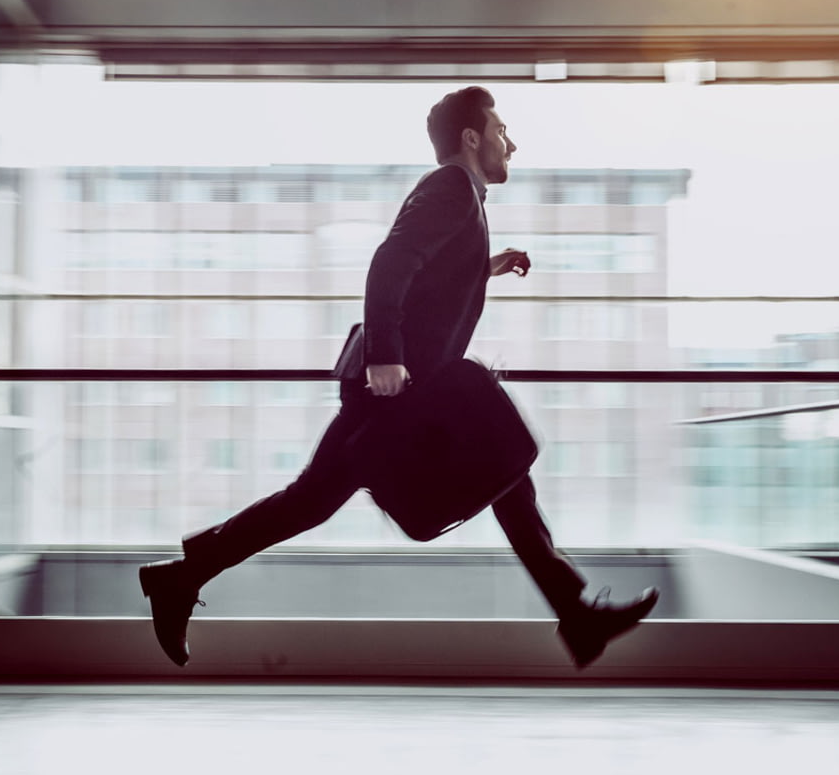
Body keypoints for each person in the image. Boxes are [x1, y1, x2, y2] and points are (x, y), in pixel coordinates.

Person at [139, 86, 659, 669]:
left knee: (469, 475)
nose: (511, 143)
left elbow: (428, 276)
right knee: (326, 497)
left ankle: (577, 613)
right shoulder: (452, 187)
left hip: (406, 393)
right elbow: (390, 262)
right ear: (471, 137)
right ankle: (180, 578)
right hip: (393, 393)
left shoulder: (463, 197)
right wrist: (387, 355)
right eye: (501, 130)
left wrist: (482, 267)